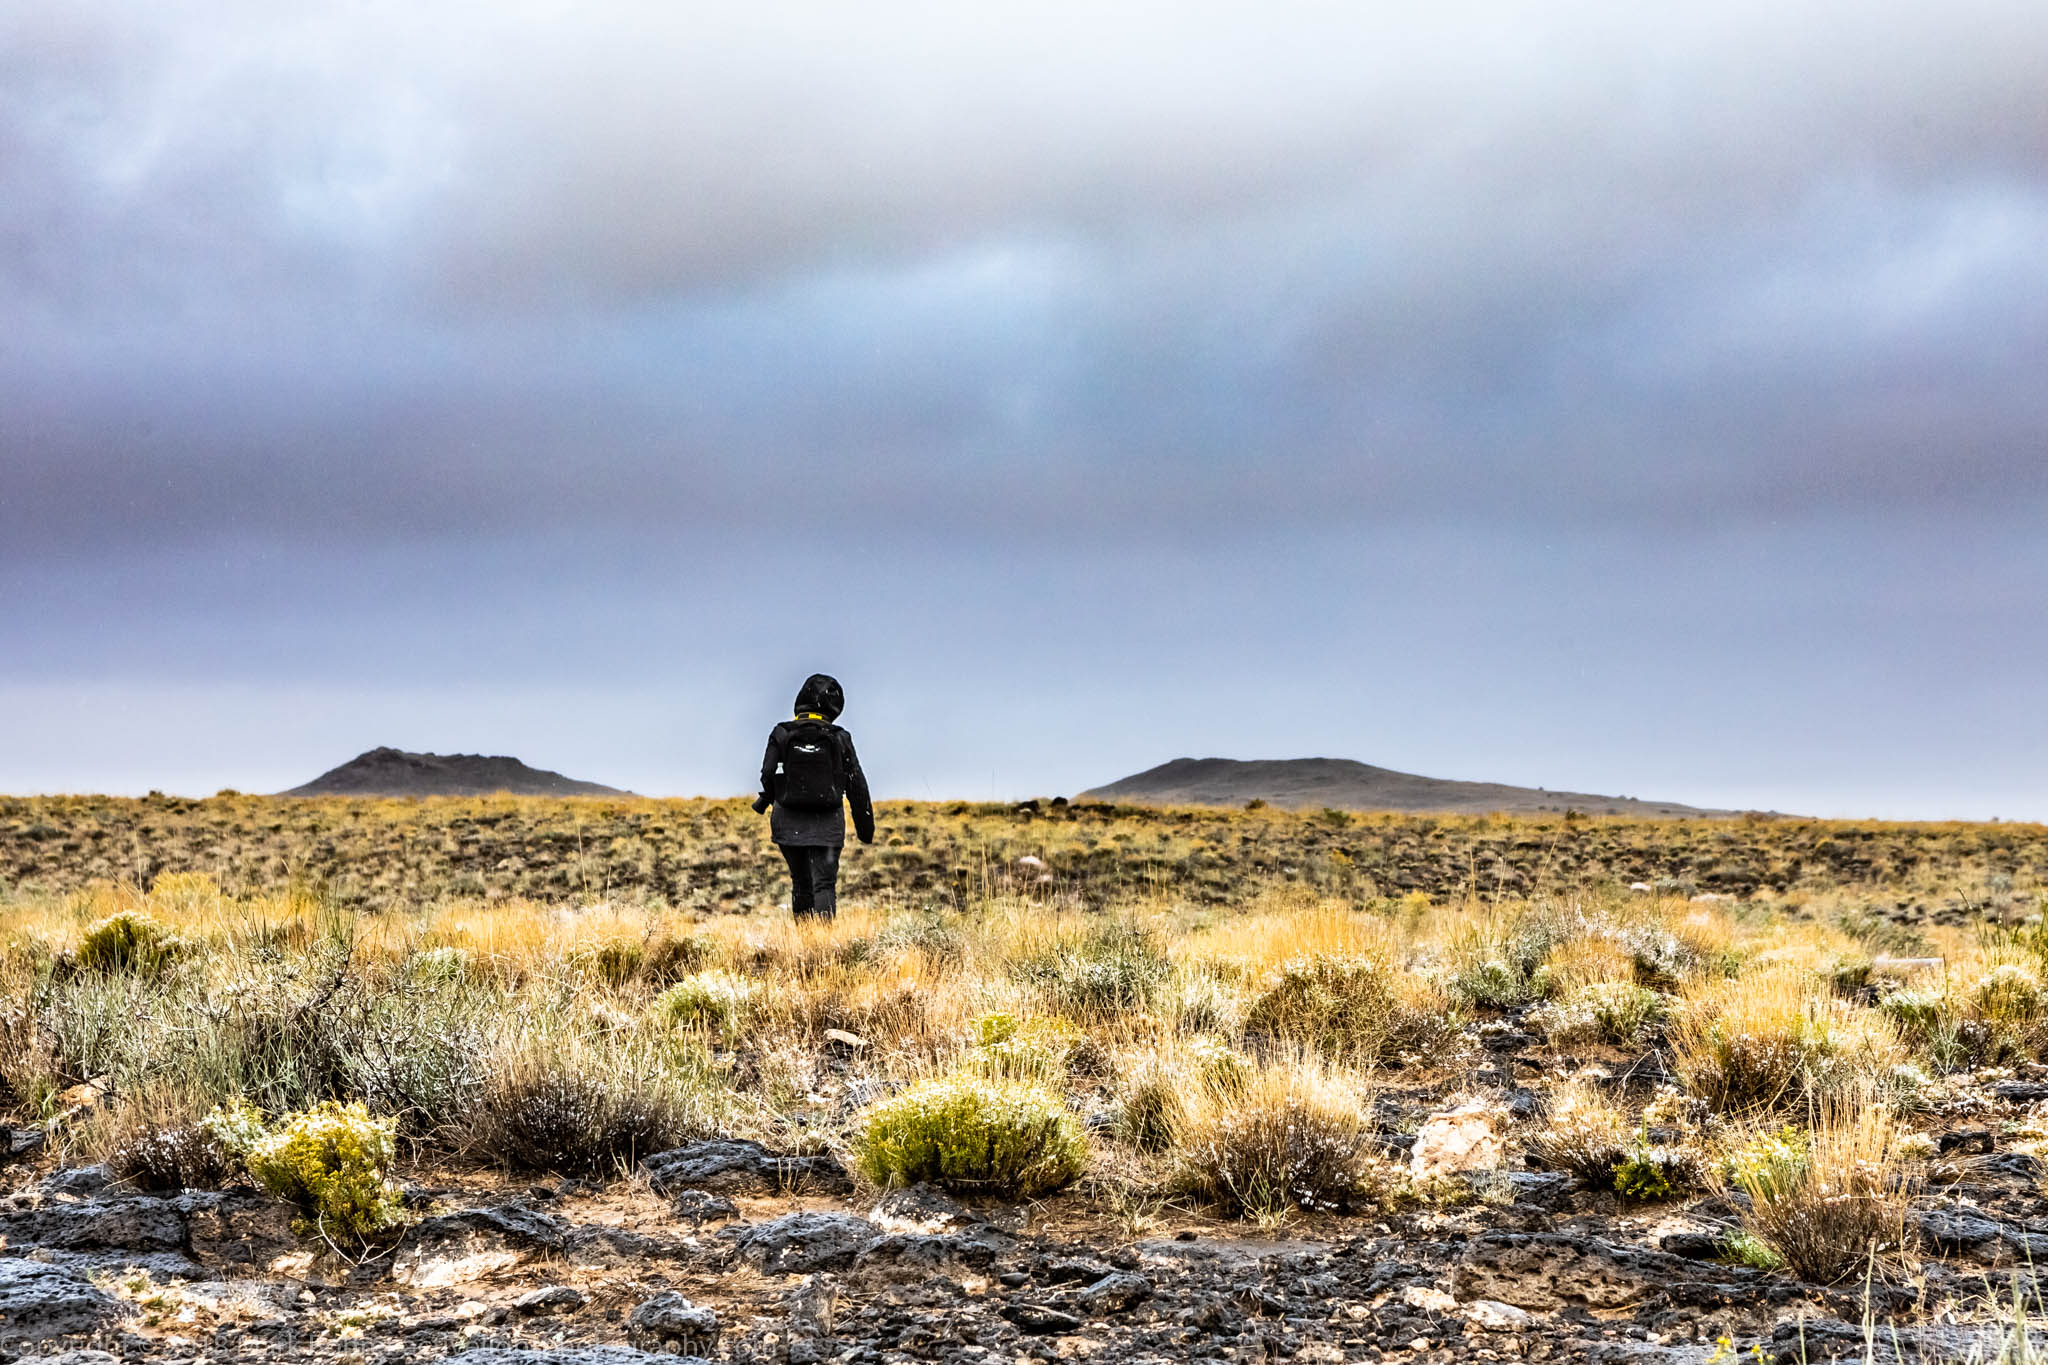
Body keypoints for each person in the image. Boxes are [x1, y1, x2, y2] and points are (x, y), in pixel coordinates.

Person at [752, 673, 874, 919]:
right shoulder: (840, 737)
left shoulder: (782, 732)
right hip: (827, 824)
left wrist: (773, 796)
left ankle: (804, 944)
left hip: (788, 822)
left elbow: (767, 773)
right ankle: (823, 946)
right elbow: (857, 785)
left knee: (801, 882)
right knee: (824, 884)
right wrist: (865, 829)